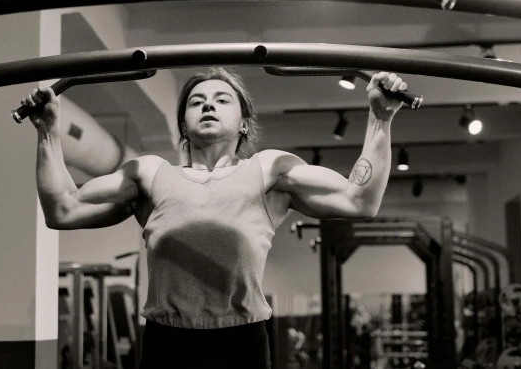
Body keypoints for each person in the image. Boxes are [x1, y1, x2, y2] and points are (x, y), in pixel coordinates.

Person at [21, 67, 407, 369]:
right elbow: (63, 209)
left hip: (240, 344)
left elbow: (360, 200)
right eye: (196, 101)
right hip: (167, 343)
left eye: (222, 99)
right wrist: (47, 132)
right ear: (184, 124)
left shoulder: (268, 170)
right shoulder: (150, 174)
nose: (208, 105)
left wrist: (381, 119)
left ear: (243, 123)